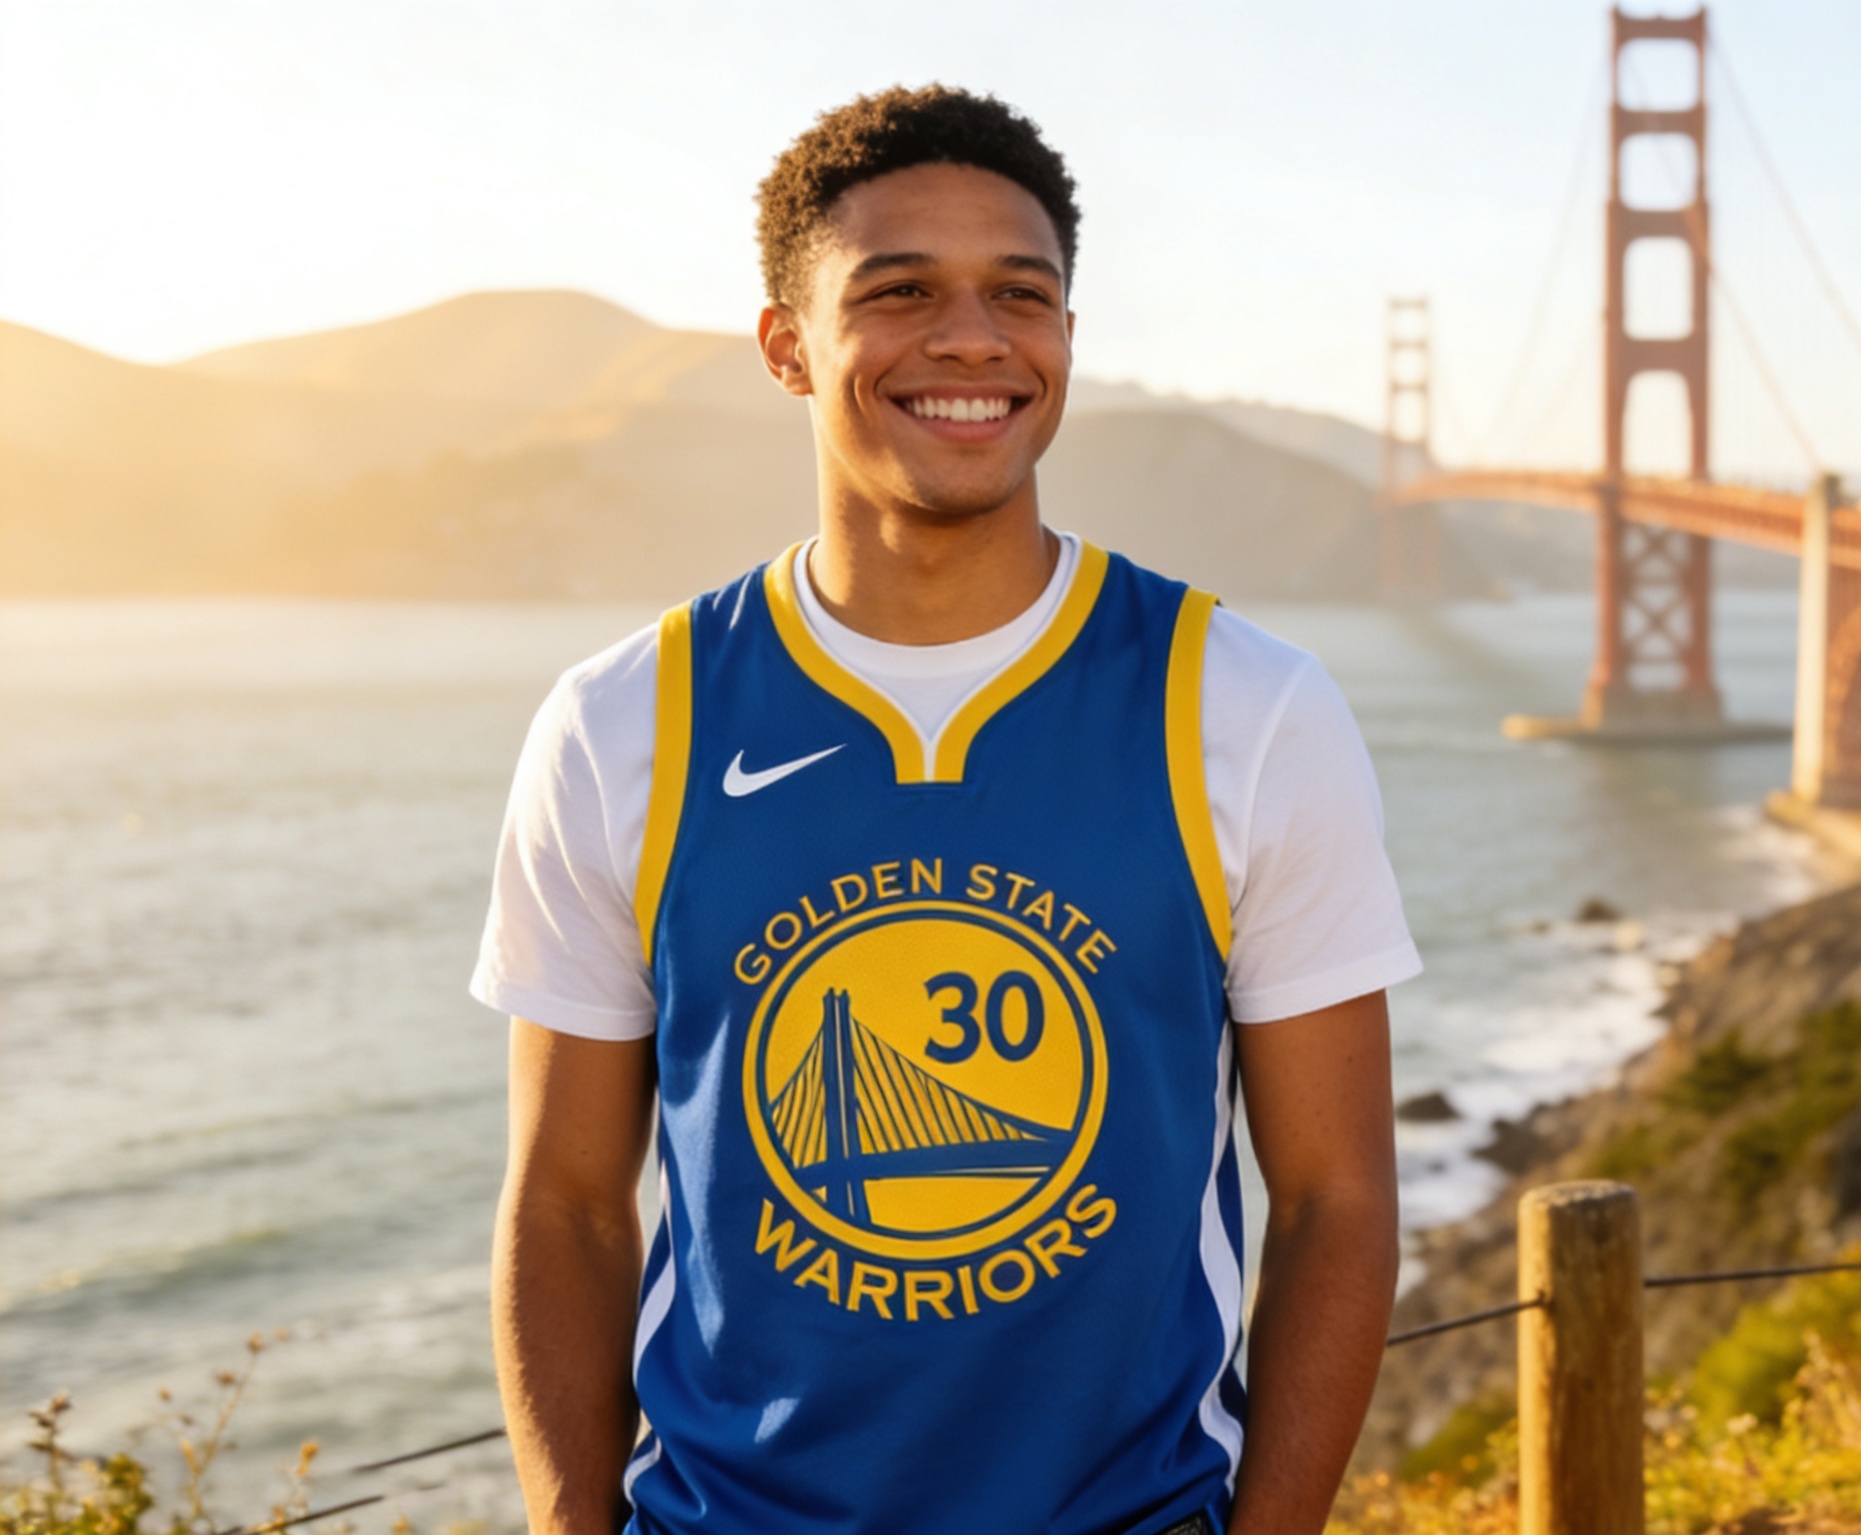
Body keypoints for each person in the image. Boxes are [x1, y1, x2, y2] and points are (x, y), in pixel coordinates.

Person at [472, 85, 1417, 1535]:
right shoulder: (619, 724)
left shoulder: (1246, 707)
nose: (971, 339)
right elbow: (567, 1209)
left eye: (1018, 296)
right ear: (789, 346)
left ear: (1065, 344)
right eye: (900, 291)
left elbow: (1336, 1199)